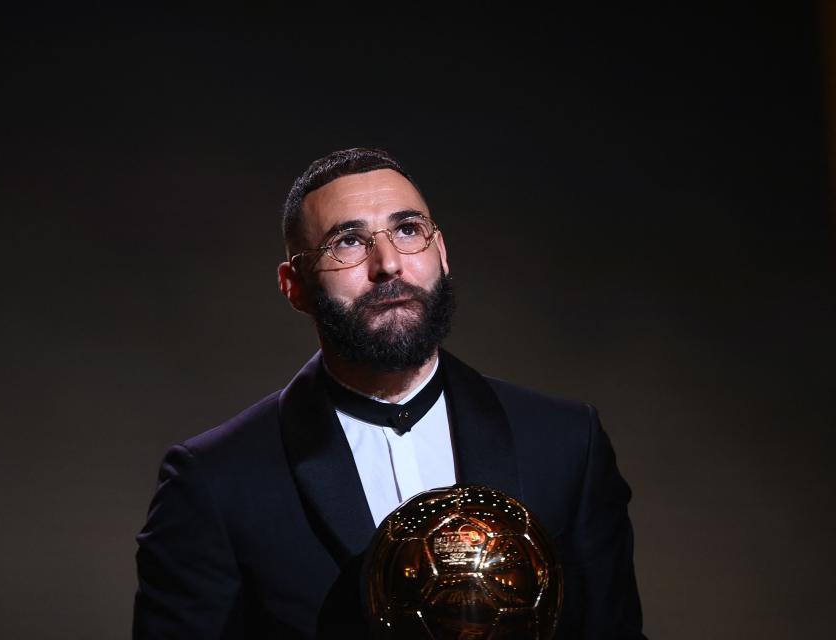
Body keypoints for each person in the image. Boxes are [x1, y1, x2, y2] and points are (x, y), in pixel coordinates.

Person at [132, 147, 645, 639]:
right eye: (348, 242)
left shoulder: (567, 442)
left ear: (440, 253)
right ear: (295, 286)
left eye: (407, 230)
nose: (389, 264)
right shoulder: (214, 481)